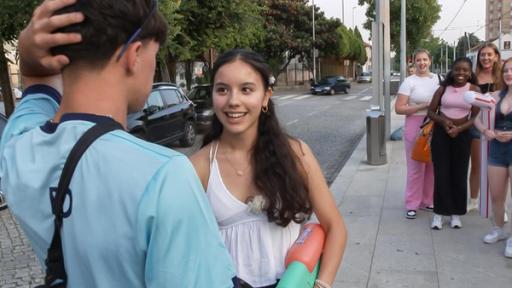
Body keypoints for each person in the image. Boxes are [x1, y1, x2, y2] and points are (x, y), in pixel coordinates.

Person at [0, 0, 236, 287]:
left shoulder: (17, 149)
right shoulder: (164, 176)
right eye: (154, 54)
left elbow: (37, 89)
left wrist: (30, 64)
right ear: (134, 55)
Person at [190, 49, 347, 288]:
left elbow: (335, 227)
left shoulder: (296, 154)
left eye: (246, 89)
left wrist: (322, 284)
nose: (233, 100)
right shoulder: (198, 167)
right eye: (222, 89)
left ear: (265, 97)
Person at [428, 57, 480, 230]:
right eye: (457, 69)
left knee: (459, 174)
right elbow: (431, 111)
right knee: (441, 173)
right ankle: (438, 213)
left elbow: (476, 117)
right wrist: (443, 122)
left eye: (465, 70)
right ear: (452, 70)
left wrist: (460, 128)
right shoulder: (443, 89)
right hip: (441, 135)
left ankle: (456, 214)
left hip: (463, 135)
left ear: (470, 72)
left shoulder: (474, 89)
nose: (461, 73)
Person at [474, 57, 512, 258]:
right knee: (497, 195)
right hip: (496, 148)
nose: (509, 74)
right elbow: (477, 119)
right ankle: (498, 229)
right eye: (506, 70)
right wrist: (485, 131)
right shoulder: (494, 96)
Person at [395, 49, 440, 219]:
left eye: (425, 59)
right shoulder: (409, 82)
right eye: (418, 60)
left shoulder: (438, 79)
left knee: (432, 166)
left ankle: (428, 201)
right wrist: (422, 106)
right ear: (414, 62)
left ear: (430, 61)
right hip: (415, 124)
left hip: (435, 124)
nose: (422, 63)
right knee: (416, 166)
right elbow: (399, 108)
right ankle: (412, 203)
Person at [469, 43, 502, 212]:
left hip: (499, 126)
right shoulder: (473, 77)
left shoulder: (503, 77)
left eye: (489, 54)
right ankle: (474, 201)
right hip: (477, 124)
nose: (486, 58)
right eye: (482, 55)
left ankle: (497, 204)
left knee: (497, 167)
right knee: (476, 165)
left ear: (496, 56)